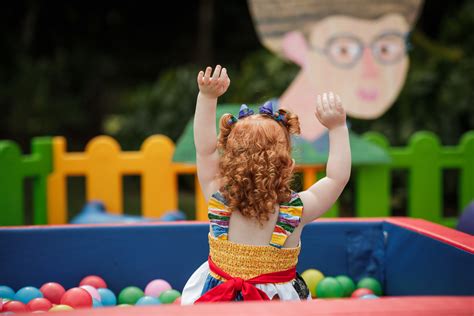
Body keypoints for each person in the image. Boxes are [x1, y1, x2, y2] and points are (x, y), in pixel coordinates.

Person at [181, 65, 351, 304]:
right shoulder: (297, 209)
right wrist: (338, 128)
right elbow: (336, 178)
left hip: (217, 299)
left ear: (229, 159)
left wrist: (207, 98)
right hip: (276, 302)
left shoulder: (217, 195)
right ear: (287, 163)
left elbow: (205, 151)